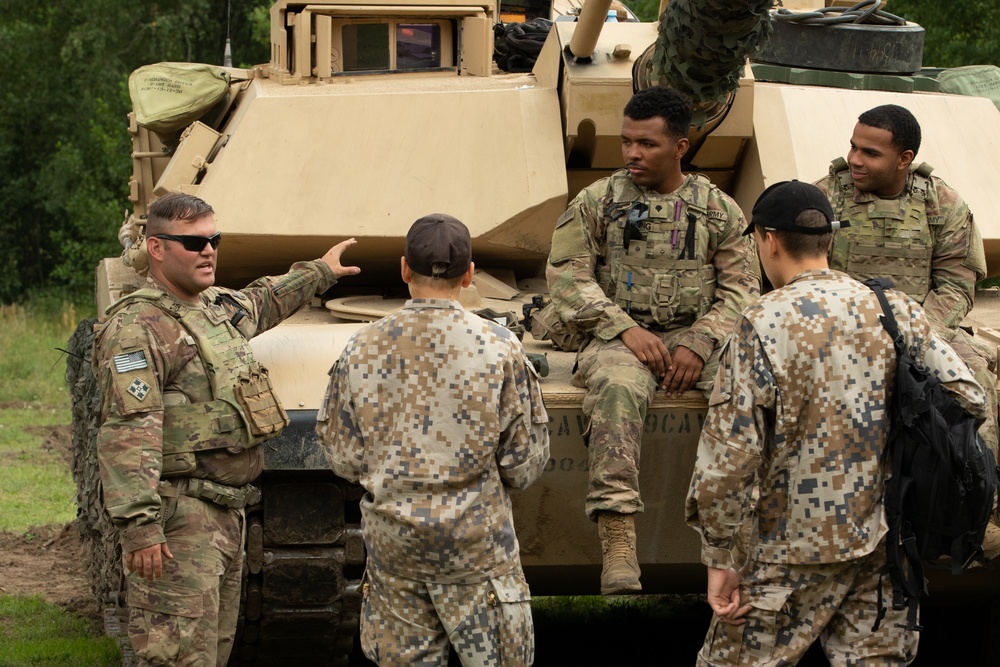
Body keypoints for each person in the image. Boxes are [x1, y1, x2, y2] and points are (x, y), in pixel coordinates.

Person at [686, 181, 988, 665]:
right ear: (829, 241)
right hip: (885, 542)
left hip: (789, 549)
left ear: (768, 240)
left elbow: (730, 456)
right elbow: (968, 398)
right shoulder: (893, 308)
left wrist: (720, 556)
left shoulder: (762, 321)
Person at [93, 192, 360, 666]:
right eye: (194, 243)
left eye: (214, 239)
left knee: (213, 652)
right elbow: (127, 431)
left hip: (227, 513)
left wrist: (320, 270)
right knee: (176, 656)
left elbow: (264, 299)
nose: (209, 250)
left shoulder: (213, 307)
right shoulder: (137, 328)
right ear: (156, 248)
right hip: (179, 521)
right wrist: (140, 528)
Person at [543, 85, 761, 595]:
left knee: (749, 387)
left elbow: (742, 288)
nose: (632, 154)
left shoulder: (716, 209)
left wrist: (702, 341)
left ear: (680, 147)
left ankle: (739, 534)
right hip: (620, 334)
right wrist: (623, 328)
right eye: (627, 142)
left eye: (647, 144)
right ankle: (619, 543)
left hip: (695, 337)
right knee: (617, 388)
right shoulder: (598, 201)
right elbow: (567, 277)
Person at [316, 214, 550, 666]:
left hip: (395, 551)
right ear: (469, 273)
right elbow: (523, 464)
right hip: (476, 551)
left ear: (405, 269)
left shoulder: (361, 346)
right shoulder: (500, 346)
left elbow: (343, 459)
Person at [813, 104, 1000, 558]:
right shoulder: (823, 199)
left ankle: (978, 510)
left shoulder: (942, 203)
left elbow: (957, 283)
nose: (855, 159)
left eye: (870, 153)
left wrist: (919, 336)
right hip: (840, 327)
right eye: (853, 147)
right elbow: (804, 274)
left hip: (927, 329)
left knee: (977, 382)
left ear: (904, 158)